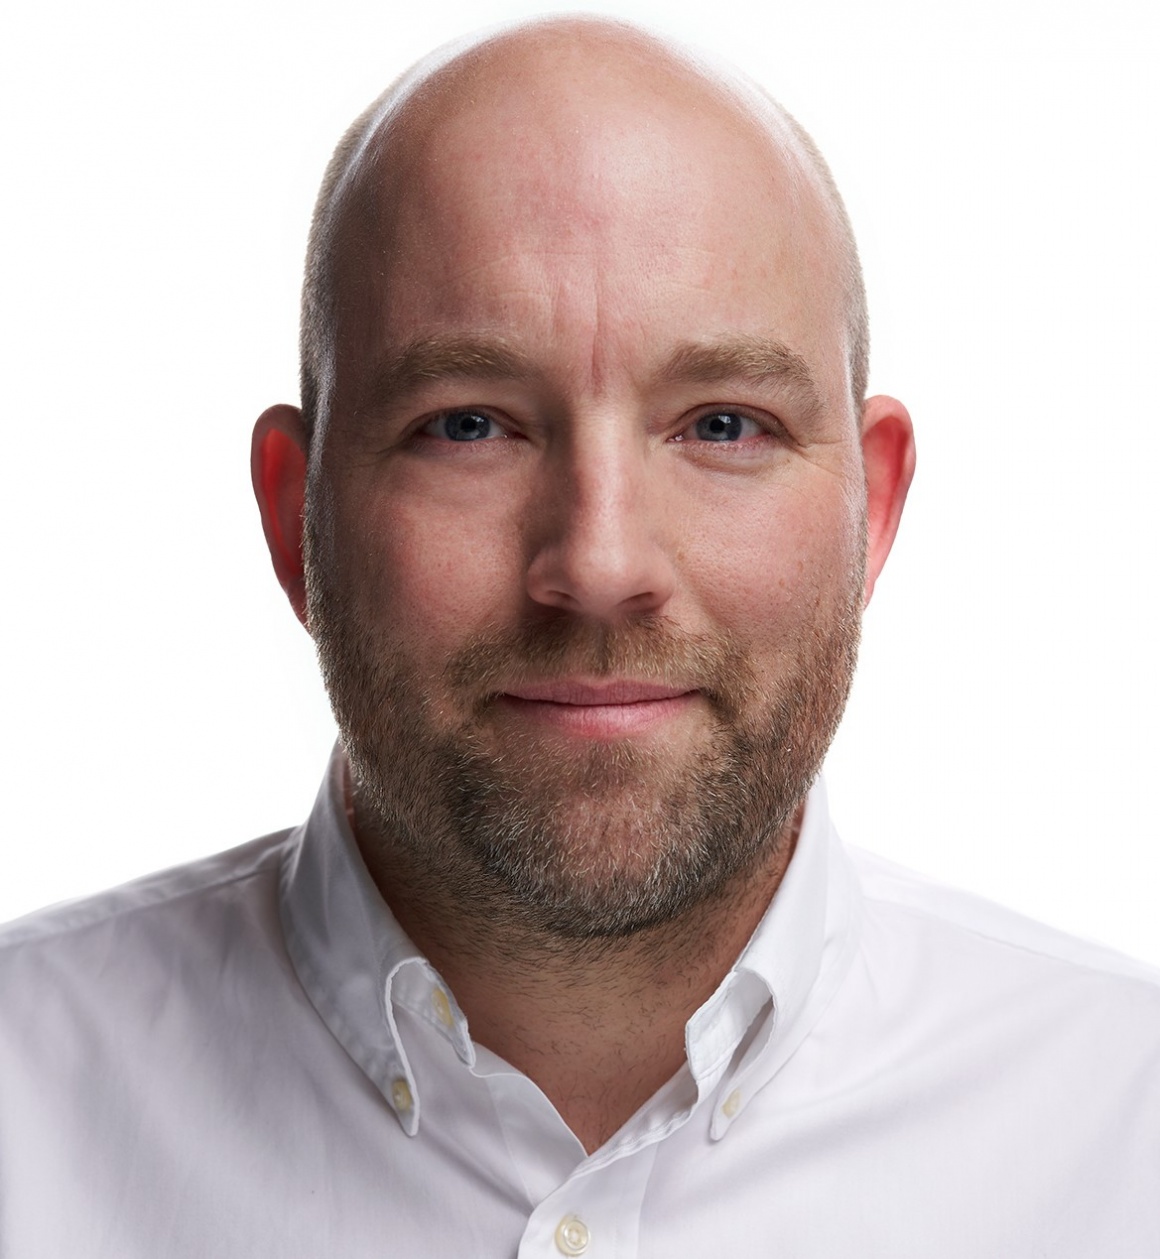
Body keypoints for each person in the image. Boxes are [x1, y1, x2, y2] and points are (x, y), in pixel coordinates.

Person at [1, 17, 1157, 1256]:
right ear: (296, 516)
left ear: (871, 510)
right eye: (467, 425)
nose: (600, 566)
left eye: (721, 424)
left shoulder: (1125, 1124)